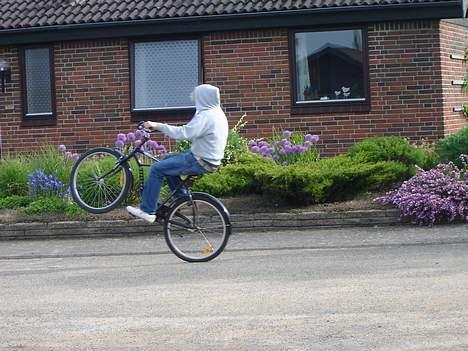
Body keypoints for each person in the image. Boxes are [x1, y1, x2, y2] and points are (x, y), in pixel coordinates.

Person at [126, 84, 229, 223]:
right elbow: (195, 130)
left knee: (156, 169)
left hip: (201, 160)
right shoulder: (216, 112)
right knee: (166, 160)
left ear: (203, 98)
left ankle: (148, 210)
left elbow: (184, 133)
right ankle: (181, 198)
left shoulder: (206, 115)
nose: (193, 95)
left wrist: (157, 125)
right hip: (206, 157)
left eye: (196, 94)